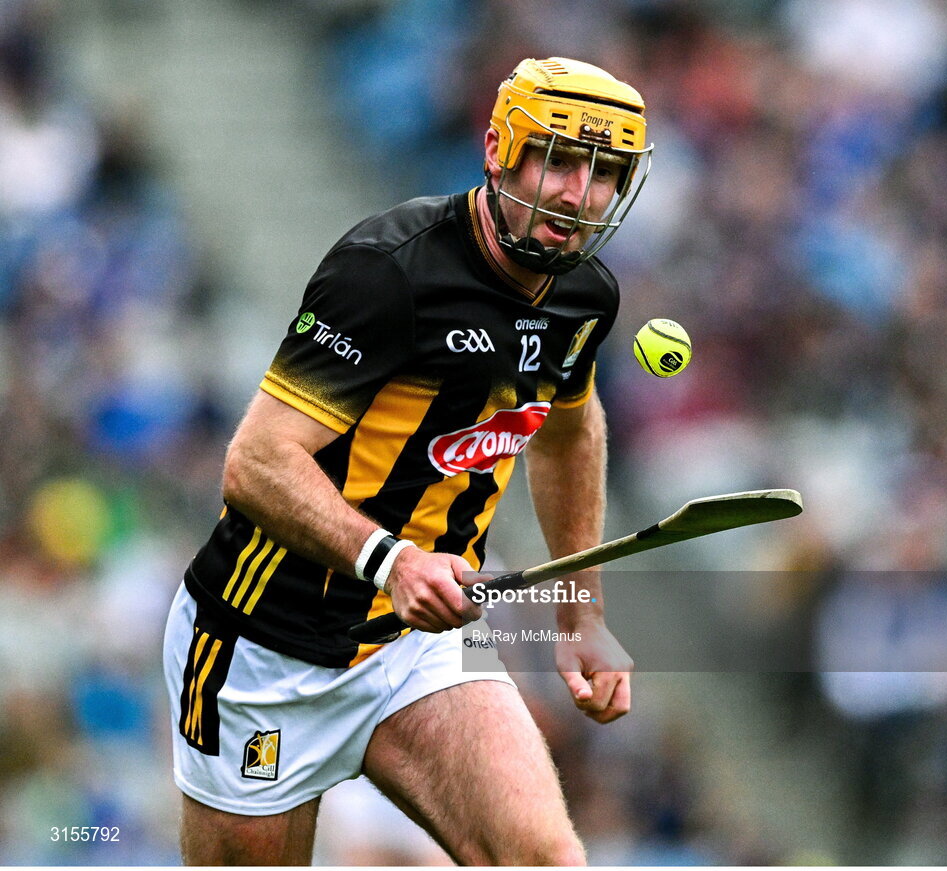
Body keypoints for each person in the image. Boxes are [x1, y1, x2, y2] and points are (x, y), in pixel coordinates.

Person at [162, 56, 653, 865]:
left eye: (605, 173)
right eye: (557, 160)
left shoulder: (583, 296)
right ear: (498, 149)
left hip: (421, 643)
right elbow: (256, 463)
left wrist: (580, 612)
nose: (577, 194)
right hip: (266, 645)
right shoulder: (390, 270)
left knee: (547, 860)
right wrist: (387, 560)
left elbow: (569, 428)